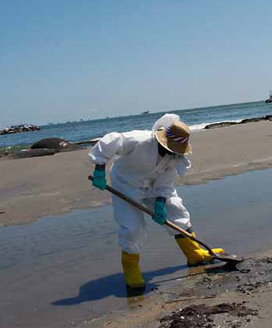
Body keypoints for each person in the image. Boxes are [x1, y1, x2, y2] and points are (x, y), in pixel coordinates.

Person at [89, 114, 224, 291]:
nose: (172, 152)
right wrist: (100, 168)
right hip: (126, 184)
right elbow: (111, 140)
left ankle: (194, 254)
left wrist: (160, 203)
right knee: (132, 227)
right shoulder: (140, 140)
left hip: (154, 185)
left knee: (176, 211)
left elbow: (166, 182)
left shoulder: (175, 156)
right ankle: (131, 270)